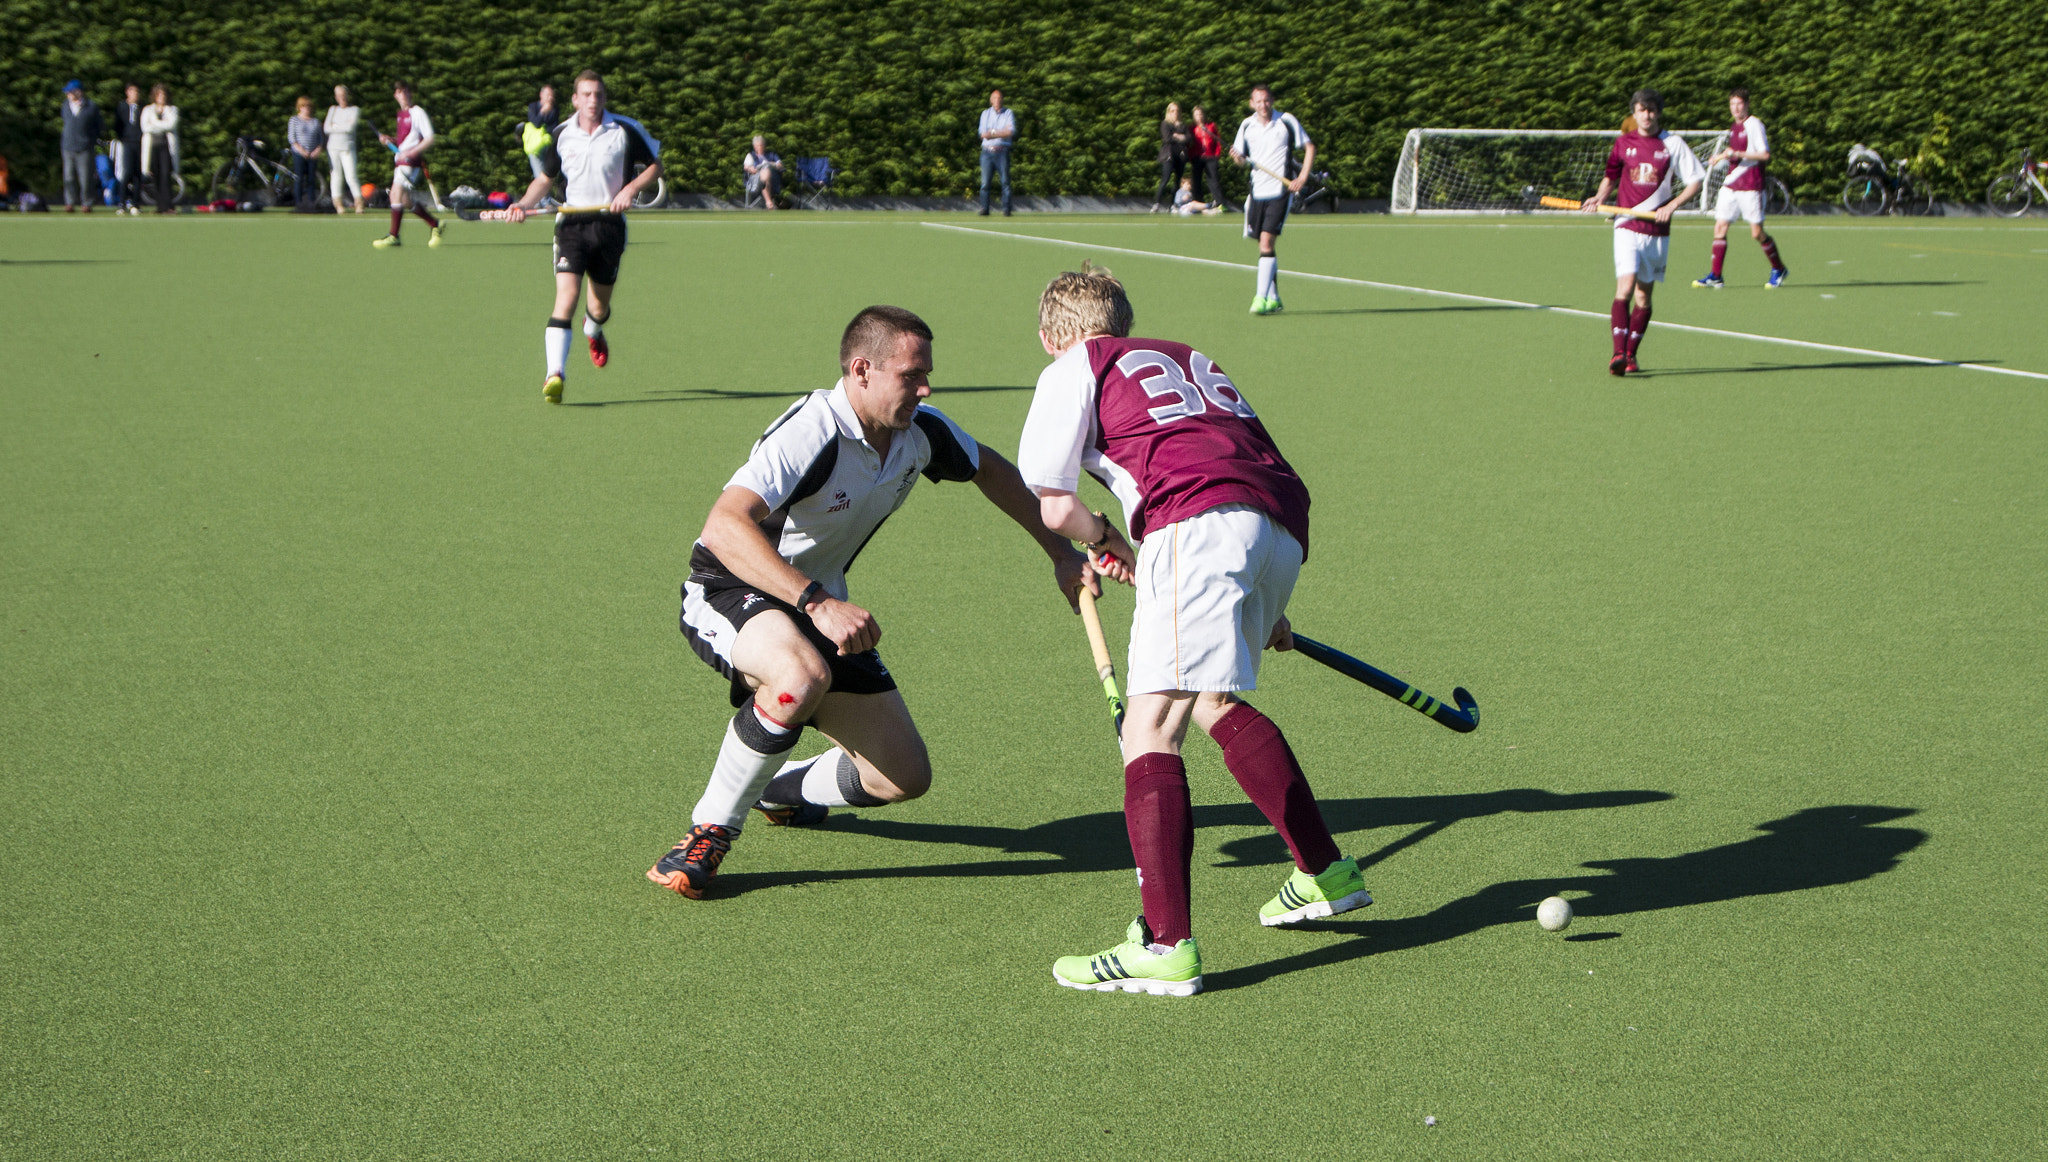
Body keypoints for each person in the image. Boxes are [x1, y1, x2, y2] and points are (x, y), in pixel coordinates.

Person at [648, 305, 1095, 899]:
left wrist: (1060, 552)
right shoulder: (812, 432)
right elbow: (724, 525)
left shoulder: (919, 433)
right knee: (797, 676)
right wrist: (814, 601)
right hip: (731, 588)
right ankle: (706, 833)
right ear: (862, 370)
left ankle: (776, 788)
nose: (926, 387)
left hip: (818, 603)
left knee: (902, 778)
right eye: (911, 375)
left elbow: (992, 470)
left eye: (926, 374)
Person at [1016, 266, 1369, 997]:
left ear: (1050, 337)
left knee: (1149, 727)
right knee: (1210, 701)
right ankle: (1324, 871)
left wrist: (1106, 537)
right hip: (1279, 525)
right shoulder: (1185, 355)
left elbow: (1053, 503)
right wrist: (1255, 593)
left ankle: (1167, 945)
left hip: (1198, 526)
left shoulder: (1072, 365)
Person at [504, 70, 660, 404]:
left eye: (598, 95)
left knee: (598, 306)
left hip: (609, 226)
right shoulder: (561, 134)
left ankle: (594, 328)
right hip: (571, 224)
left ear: (604, 97)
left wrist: (630, 189)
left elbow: (654, 166)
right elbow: (545, 179)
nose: (593, 101)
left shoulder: (625, 129)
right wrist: (521, 204)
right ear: (575, 99)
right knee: (566, 297)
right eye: (586, 95)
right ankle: (554, 375)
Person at [1581, 88, 1705, 375]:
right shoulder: (1623, 142)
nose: (1646, 115)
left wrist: (1672, 205)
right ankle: (1617, 354)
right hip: (1625, 224)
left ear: (1658, 113)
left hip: (1657, 230)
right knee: (1624, 288)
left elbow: (1695, 181)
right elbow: (1611, 176)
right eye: (1641, 110)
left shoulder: (1673, 144)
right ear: (1634, 113)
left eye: (1651, 110)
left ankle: (1631, 354)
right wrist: (1600, 196)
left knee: (1643, 296)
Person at [1230, 85, 1314, 315]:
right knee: (1263, 246)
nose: (1263, 105)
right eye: (1258, 101)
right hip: (1257, 193)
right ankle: (1274, 298)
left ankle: (1259, 298)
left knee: (1266, 243)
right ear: (1251, 103)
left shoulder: (1286, 121)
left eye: (1266, 101)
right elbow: (1240, 160)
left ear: (1272, 100)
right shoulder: (1247, 125)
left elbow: (1309, 147)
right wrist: (1238, 158)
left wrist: (1302, 178)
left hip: (1280, 191)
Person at [1694, 89, 1789, 290]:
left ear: (1747, 104)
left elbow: (1764, 155)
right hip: (1731, 185)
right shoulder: (1734, 127)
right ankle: (1716, 276)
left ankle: (1779, 268)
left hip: (1750, 186)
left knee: (1756, 233)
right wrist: (1721, 156)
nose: (1736, 108)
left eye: (1739, 104)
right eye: (1732, 104)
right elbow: (1736, 155)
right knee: (1720, 227)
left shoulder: (1754, 124)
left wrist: (1735, 152)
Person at [372, 81, 442, 248]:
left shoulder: (418, 112)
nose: (403, 94)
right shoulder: (401, 115)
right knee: (404, 200)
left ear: (410, 93)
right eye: (399, 92)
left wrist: (412, 152)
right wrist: (390, 140)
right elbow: (404, 142)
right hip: (400, 161)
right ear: (395, 95)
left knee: (394, 194)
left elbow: (430, 138)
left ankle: (394, 236)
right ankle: (434, 223)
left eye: (405, 91)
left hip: (411, 163)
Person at [58, 80, 104, 213]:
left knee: (86, 178)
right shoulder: (65, 106)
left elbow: (98, 126)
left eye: (70, 92)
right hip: (67, 146)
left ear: (78, 92)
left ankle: (87, 203)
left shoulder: (91, 106)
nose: (68, 94)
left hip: (85, 148)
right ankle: (70, 202)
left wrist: (91, 140)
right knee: (68, 177)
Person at [140, 85, 180, 215]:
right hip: (152, 147)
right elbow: (145, 127)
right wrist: (161, 125)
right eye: (159, 95)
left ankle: (169, 206)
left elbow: (171, 124)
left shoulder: (172, 109)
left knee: (165, 175)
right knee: (155, 176)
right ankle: (160, 206)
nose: (161, 97)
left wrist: (154, 123)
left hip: (166, 147)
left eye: (163, 95)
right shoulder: (147, 109)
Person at [977, 89, 1015, 217]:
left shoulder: (1008, 113)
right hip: (987, 153)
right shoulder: (985, 114)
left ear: (1002, 100)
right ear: (991, 100)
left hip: (1002, 152)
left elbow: (1009, 132)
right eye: (995, 98)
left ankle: (1006, 209)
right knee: (985, 184)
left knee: (1005, 182)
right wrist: (999, 132)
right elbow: (983, 134)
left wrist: (992, 132)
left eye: (999, 98)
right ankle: (984, 209)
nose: (997, 101)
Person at [325, 86, 362, 213]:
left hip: (347, 147)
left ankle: (359, 203)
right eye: (339, 95)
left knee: (351, 176)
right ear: (336, 97)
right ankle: (338, 204)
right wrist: (340, 126)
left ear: (348, 95)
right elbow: (326, 128)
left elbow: (350, 128)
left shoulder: (354, 110)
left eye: (344, 95)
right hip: (332, 148)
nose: (342, 98)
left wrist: (335, 126)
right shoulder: (332, 109)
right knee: (336, 176)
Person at [287, 96, 324, 211]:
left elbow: (321, 139)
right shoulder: (294, 120)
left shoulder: (315, 122)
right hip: (299, 153)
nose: (307, 108)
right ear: (299, 107)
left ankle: (311, 203)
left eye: (308, 106)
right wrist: (302, 151)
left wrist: (317, 150)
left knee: (311, 179)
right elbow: (292, 138)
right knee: (299, 178)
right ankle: (299, 203)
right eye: (304, 106)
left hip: (313, 154)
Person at [112, 84, 144, 213]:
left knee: (137, 174)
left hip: (139, 143)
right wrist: (122, 138)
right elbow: (117, 125)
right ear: (127, 92)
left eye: (137, 91)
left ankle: (135, 203)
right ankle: (122, 203)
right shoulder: (121, 107)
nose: (135, 94)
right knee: (126, 172)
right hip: (126, 143)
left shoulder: (143, 107)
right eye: (132, 91)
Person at [1151, 102, 1188, 212]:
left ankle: (1172, 205)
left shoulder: (1183, 125)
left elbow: (1189, 138)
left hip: (1180, 156)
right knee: (1165, 179)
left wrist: (1177, 136)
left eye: (1177, 111)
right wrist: (1181, 137)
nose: (1175, 113)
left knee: (1177, 181)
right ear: (1169, 112)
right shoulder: (1165, 124)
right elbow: (1167, 138)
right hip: (1169, 156)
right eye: (1173, 111)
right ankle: (1156, 203)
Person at [1189, 105, 1224, 209]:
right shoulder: (1191, 128)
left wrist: (1217, 154)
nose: (1199, 117)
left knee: (1213, 179)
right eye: (1196, 115)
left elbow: (1217, 140)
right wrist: (1191, 155)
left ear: (1204, 115)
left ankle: (1219, 203)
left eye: (1200, 114)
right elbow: (1189, 144)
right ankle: (1198, 203)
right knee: (1197, 180)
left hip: (1211, 157)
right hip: (1197, 157)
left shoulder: (1211, 126)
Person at [742, 135, 783, 209]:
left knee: (767, 171)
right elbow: (746, 167)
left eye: (761, 145)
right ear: (754, 146)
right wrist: (751, 169)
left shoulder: (771, 154)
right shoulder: (751, 155)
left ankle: (768, 202)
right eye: (758, 145)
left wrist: (771, 164)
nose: (760, 147)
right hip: (755, 181)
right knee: (765, 172)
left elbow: (780, 165)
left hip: (773, 180)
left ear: (764, 146)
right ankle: (769, 201)